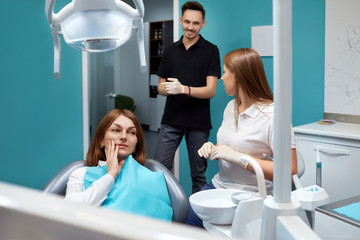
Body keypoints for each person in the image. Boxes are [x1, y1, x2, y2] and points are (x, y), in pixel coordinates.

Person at [185, 48, 298, 227]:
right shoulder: (231, 107)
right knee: (189, 226)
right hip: (220, 187)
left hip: (252, 195)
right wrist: (213, 147)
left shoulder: (275, 115)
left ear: (240, 75)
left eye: (225, 71)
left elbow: (289, 172)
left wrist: (241, 159)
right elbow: (232, 145)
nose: (221, 78)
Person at [154, 1, 221, 193]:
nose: (190, 27)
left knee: (198, 174)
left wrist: (183, 89)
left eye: (196, 23)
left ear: (203, 24)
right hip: (171, 120)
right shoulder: (169, 50)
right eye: (187, 22)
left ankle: (197, 220)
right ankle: (163, 211)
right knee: (159, 168)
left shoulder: (211, 50)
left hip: (198, 123)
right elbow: (160, 87)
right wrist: (168, 89)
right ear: (180, 20)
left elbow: (210, 90)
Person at [65, 109, 173, 221]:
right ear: (101, 140)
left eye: (131, 132)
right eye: (116, 130)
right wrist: (111, 175)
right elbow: (70, 211)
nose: (124, 137)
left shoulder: (152, 179)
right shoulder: (80, 174)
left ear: (136, 144)